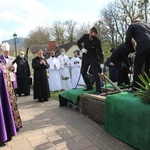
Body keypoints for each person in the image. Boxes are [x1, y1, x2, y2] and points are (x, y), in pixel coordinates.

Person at [77, 27, 104, 95]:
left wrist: (101, 62)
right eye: (93, 35)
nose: (93, 37)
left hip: (93, 58)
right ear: (90, 32)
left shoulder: (97, 41)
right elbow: (78, 42)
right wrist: (81, 48)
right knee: (83, 71)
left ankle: (98, 90)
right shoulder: (85, 36)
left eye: (95, 35)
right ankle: (89, 85)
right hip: (86, 57)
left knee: (95, 73)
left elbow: (100, 52)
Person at [126, 19, 150, 91]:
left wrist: (132, 51)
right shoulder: (147, 26)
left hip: (143, 45)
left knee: (137, 66)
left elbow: (128, 39)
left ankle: (136, 87)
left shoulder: (132, 26)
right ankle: (147, 86)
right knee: (147, 67)